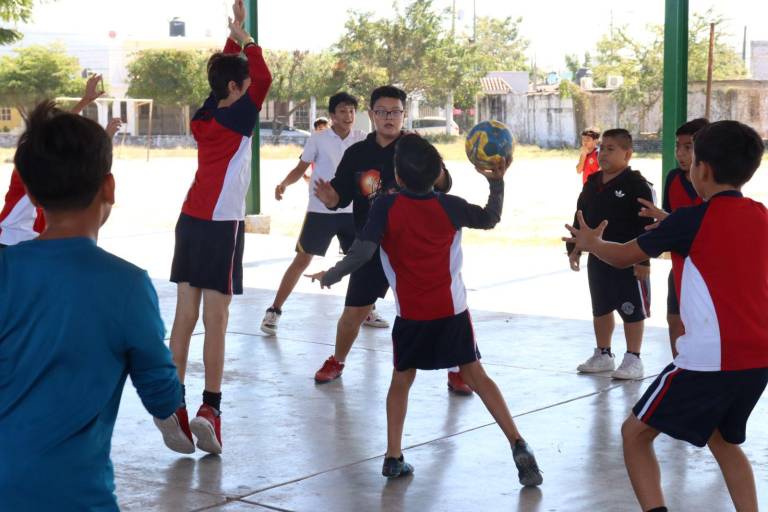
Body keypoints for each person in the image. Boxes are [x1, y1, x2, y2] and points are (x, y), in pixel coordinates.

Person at [308, 133, 542, 485]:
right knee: (477, 376)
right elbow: (491, 217)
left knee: (401, 381)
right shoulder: (451, 205)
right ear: (437, 177)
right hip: (452, 312)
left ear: (398, 178)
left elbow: (362, 252)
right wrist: (497, 183)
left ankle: (393, 456)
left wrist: (333, 274)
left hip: (412, 315)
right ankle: (518, 442)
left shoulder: (385, 207)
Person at [564, 120, 767, 512]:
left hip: (708, 361)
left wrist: (591, 242)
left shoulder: (689, 221)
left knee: (635, 434)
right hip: (758, 359)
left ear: (702, 170)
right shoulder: (760, 214)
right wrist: (670, 225)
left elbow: (624, 255)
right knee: (723, 441)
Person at [0, 101, 181, 511]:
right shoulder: (128, 285)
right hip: (77, 496)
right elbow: (161, 394)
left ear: (30, 192)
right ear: (109, 187)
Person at [157, 0, 271, 455]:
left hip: (190, 221)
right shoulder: (240, 115)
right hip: (222, 225)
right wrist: (249, 41)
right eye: (242, 85)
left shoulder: (204, 116)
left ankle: (171, 404)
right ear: (236, 88)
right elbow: (261, 77)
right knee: (216, 320)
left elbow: (228, 78)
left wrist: (234, 37)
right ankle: (211, 410)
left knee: (185, 315)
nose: (250, 88)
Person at [312, 86, 474, 395]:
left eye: (396, 112)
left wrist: (433, 163)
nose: (389, 117)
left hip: (416, 249)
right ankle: (338, 360)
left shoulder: (415, 146)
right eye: (382, 112)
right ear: (371, 115)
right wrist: (330, 197)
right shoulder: (357, 154)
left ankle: (458, 370)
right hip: (371, 248)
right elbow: (340, 195)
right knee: (353, 314)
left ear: (403, 114)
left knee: (445, 312)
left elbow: (444, 183)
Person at [261, 93, 365, 335]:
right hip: (321, 211)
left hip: (352, 211)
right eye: (342, 111)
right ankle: (274, 310)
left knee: (361, 263)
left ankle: (366, 309)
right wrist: (284, 184)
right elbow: (301, 168)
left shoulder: (362, 139)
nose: (348, 116)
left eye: (351, 111)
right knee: (302, 260)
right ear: (332, 116)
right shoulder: (318, 139)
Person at [567, 128, 654, 380]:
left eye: (611, 149)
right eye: (602, 148)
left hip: (630, 259)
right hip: (598, 258)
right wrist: (574, 249)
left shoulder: (637, 185)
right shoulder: (592, 183)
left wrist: (644, 260)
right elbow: (579, 217)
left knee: (632, 310)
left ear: (627, 154)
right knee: (601, 307)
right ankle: (603, 354)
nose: (603, 153)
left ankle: (633, 358)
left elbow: (647, 226)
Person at [0, 74, 121, 249]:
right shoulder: (33, 160)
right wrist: (85, 101)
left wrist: (106, 138)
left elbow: (83, 161)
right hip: (9, 240)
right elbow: (54, 135)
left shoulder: (50, 164)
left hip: (32, 243)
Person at [638, 118, 709, 357]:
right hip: (679, 266)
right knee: (675, 319)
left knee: (703, 324)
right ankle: (678, 365)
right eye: (678, 146)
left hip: (707, 270)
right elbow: (666, 221)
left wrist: (671, 220)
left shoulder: (715, 184)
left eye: (688, 147)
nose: (680, 153)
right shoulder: (673, 178)